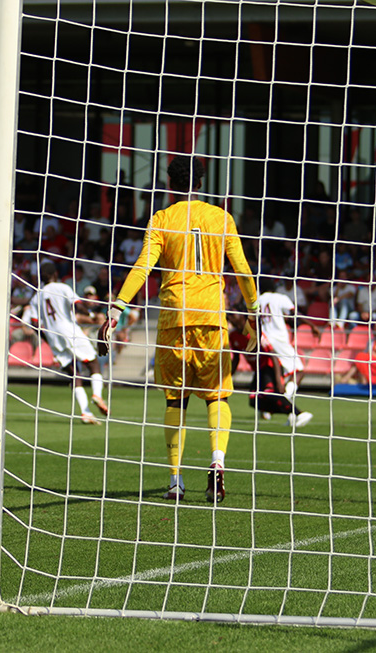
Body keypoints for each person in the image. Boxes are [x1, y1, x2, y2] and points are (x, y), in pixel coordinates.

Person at [98, 155, 259, 503]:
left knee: (176, 398)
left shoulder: (162, 219)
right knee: (218, 395)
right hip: (211, 317)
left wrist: (117, 309)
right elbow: (243, 270)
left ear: (171, 185)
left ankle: (175, 479)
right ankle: (217, 462)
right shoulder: (222, 218)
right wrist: (253, 311)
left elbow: (143, 267)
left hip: (173, 317)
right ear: (200, 183)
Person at [29, 260, 109, 425]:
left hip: (53, 336)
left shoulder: (36, 296)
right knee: (93, 363)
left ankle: (85, 412)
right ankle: (97, 395)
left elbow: (34, 323)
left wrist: (47, 339)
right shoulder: (62, 287)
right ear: (55, 274)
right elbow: (77, 306)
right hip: (68, 329)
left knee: (73, 374)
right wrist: (93, 316)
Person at [256, 277, 312, 428]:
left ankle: (285, 409)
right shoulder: (279, 298)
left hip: (264, 341)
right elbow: (295, 314)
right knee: (299, 371)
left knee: (276, 374)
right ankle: (282, 403)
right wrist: (313, 325)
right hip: (279, 340)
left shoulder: (257, 300)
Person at [336, 321, 376, 385]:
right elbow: (366, 354)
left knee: (360, 357)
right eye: (375, 328)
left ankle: (347, 378)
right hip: (370, 362)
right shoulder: (371, 341)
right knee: (361, 360)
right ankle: (362, 382)